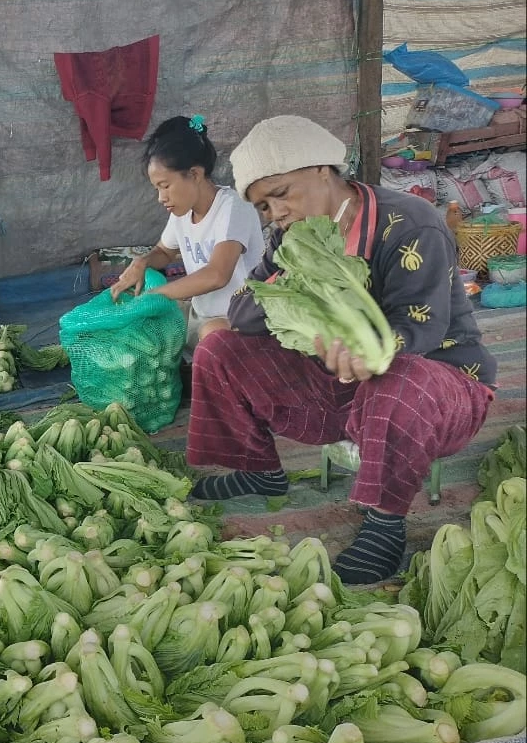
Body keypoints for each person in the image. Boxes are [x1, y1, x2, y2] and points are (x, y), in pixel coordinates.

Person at [186, 115, 496, 584]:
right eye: (263, 207)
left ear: (322, 169)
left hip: (437, 385)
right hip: (340, 381)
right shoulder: (290, 240)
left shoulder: (412, 224)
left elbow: (423, 328)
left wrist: (367, 350)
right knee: (218, 349)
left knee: (398, 376)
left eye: (281, 194)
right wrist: (299, 274)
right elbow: (244, 311)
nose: (276, 213)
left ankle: (384, 524)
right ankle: (258, 470)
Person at [109, 114, 265, 350]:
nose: (161, 198)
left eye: (165, 186)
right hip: (200, 313)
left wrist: (156, 295)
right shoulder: (182, 213)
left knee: (211, 337)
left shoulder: (233, 207)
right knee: (136, 332)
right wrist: (143, 262)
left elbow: (217, 275)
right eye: (157, 189)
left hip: (239, 319)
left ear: (194, 174)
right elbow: (164, 251)